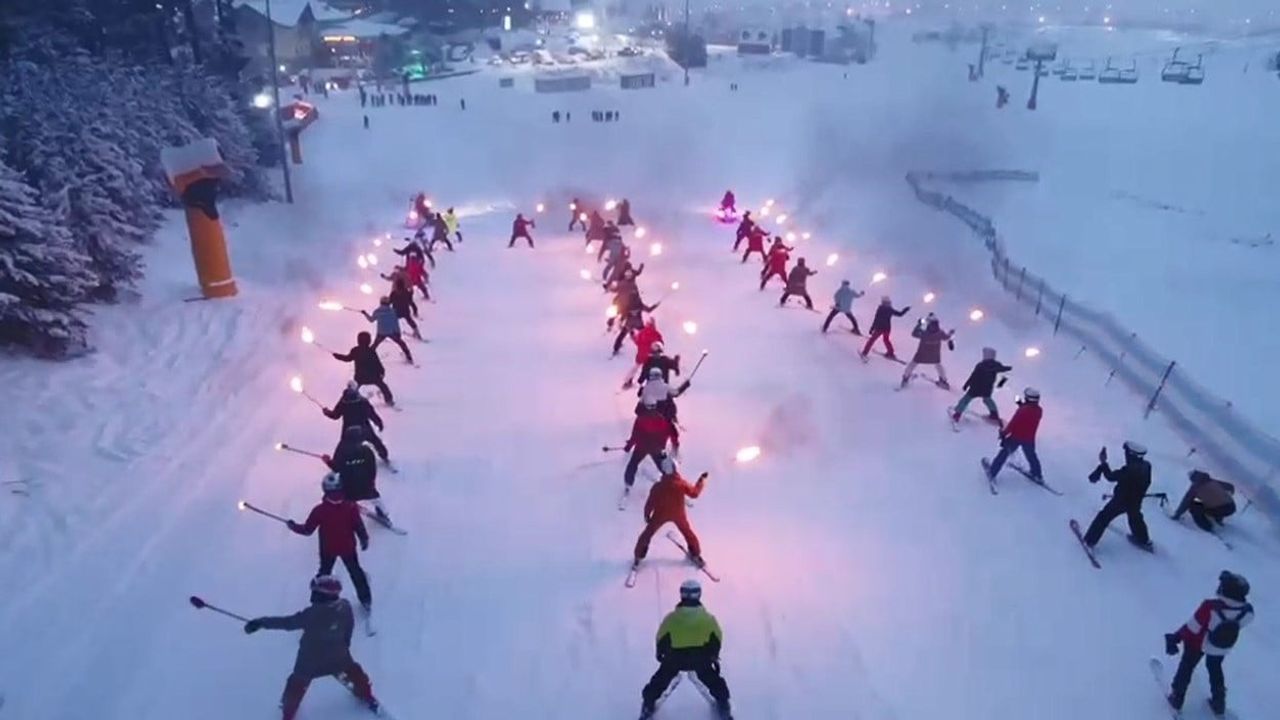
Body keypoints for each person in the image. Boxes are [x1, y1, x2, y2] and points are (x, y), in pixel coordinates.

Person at [243, 575, 380, 720]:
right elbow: (349, 628)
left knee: (296, 684)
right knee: (354, 671)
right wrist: (344, 647)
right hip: (339, 656)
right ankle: (366, 694)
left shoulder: (311, 614)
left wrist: (261, 623)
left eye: (314, 592)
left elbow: (287, 623)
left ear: (321, 595)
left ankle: (288, 713)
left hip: (309, 661)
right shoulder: (345, 607)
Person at [1164, 571, 1253, 717]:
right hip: (1221, 646)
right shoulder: (1247, 612)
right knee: (1215, 669)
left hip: (1197, 643)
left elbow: (1192, 627)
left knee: (1187, 667)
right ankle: (1219, 703)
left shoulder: (1210, 607)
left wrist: (1176, 637)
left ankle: (1177, 697)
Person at [640, 579, 732, 719]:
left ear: (682, 595)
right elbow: (717, 639)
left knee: (660, 679)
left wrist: (661, 654)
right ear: (699, 595)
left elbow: (661, 638)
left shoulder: (671, 619)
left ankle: (648, 703)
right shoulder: (708, 619)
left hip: (675, 659)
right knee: (712, 680)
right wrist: (713, 655)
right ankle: (723, 703)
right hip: (700, 659)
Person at [287, 473, 373, 611]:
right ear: (326, 492)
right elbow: (308, 530)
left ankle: (365, 599)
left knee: (354, 572)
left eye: (338, 492)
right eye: (334, 493)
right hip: (332, 549)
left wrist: (364, 537)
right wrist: (294, 526)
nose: (336, 496)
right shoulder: (326, 510)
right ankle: (318, 601)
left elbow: (358, 525)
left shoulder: (345, 508)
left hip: (343, 548)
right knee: (327, 574)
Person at [633, 456, 706, 567]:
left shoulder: (658, 486)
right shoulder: (681, 484)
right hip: (678, 514)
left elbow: (650, 502)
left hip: (660, 515)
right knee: (688, 533)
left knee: (647, 534)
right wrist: (701, 481)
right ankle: (695, 554)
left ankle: (638, 556)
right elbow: (694, 494)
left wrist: (647, 515)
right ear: (675, 468)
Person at [1082, 441, 1153, 550]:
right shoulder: (1147, 466)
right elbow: (1147, 482)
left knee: (1103, 517)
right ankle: (1143, 540)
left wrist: (1103, 462)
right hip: (1136, 500)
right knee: (1135, 517)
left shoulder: (1129, 470)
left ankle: (1089, 541)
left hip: (1121, 501)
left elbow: (1110, 476)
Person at [324, 426, 391, 525]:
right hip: (366, 487)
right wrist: (371, 482)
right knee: (376, 498)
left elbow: (337, 468)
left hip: (348, 489)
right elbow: (372, 469)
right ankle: (383, 514)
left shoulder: (341, 449)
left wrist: (328, 461)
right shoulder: (366, 450)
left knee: (332, 497)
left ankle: (337, 516)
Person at [985, 388, 1043, 481]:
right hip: (1029, 438)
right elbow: (1029, 414)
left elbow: (1013, 423)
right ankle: (1037, 474)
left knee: (1003, 454)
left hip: (1016, 437)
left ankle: (992, 472)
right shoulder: (1039, 410)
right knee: (1031, 456)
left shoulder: (1022, 410)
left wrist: (1004, 433)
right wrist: (1021, 405)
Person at [323, 383, 390, 461]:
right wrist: (379, 423)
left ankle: (339, 462)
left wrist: (327, 412)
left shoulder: (343, 402)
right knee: (375, 441)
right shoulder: (363, 402)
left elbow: (335, 415)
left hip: (349, 430)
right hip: (364, 428)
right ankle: (384, 455)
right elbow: (372, 415)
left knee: (343, 446)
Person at [950, 348, 1011, 426]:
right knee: (988, 400)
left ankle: (957, 414)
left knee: (966, 400)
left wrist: (966, 384)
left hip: (976, 387)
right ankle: (994, 414)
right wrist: (1009, 368)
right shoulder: (996, 365)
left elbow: (973, 376)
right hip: (987, 388)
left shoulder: (980, 365)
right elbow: (1002, 369)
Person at [622, 404, 677, 490]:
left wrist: (628, 446)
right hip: (657, 448)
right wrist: (675, 445)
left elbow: (635, 435)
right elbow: (673, 433)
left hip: (641, 447)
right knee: (665, 467)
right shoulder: (664, 419)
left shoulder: (640, 418)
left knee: (632, 465)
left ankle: (628, 485)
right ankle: (675, 485)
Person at [332, 332, 393, 406]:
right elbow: (377, 363)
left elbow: (347, 358)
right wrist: (382, 372)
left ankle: (345, 402)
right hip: (373, 376)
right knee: (383, 386)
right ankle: (389, 400)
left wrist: (338, 356)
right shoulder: (371, 351)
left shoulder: (355, 350)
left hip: (360, 377)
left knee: (352, 389)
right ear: (369, 341)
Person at [1172, 471, 1238, 533]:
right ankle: (1218, 519)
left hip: (1221, 509)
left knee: (1194, 505)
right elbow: (1230, 487)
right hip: (1232, 507)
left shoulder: (1195, 488)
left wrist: (1177, 515)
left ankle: (1207, 527)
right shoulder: (1213, 481)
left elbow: (1186, 502)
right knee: (1209, 500)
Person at [899, 314, 954, 389]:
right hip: (934, 355)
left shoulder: (924, 333)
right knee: (938, 366)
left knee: (912, 365)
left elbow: (914, 334)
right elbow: (946, 337)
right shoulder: (940, 333)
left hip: (922, 354)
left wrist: (919, 325)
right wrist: (950, 333)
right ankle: (943, 380)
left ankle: (905, 378)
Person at [362, 297, 414, 364]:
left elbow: (371, 320)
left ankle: (366, 359)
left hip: (381, 332)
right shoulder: (393, 311)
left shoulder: (377, 311)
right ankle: (409, 357)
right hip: (392, 331)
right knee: (402, 344)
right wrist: (398, 332)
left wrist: (365, 313)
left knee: (374, 346)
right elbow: (395, 323)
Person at [623, 320, 664, 389]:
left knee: (635, 368)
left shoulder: (642, 333)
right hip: (651, 356)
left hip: (641, 354)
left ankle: (627, 381)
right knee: (650, 369)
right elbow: (660, 344)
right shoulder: (656, 334)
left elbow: (637, 341)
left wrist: (632, 336)